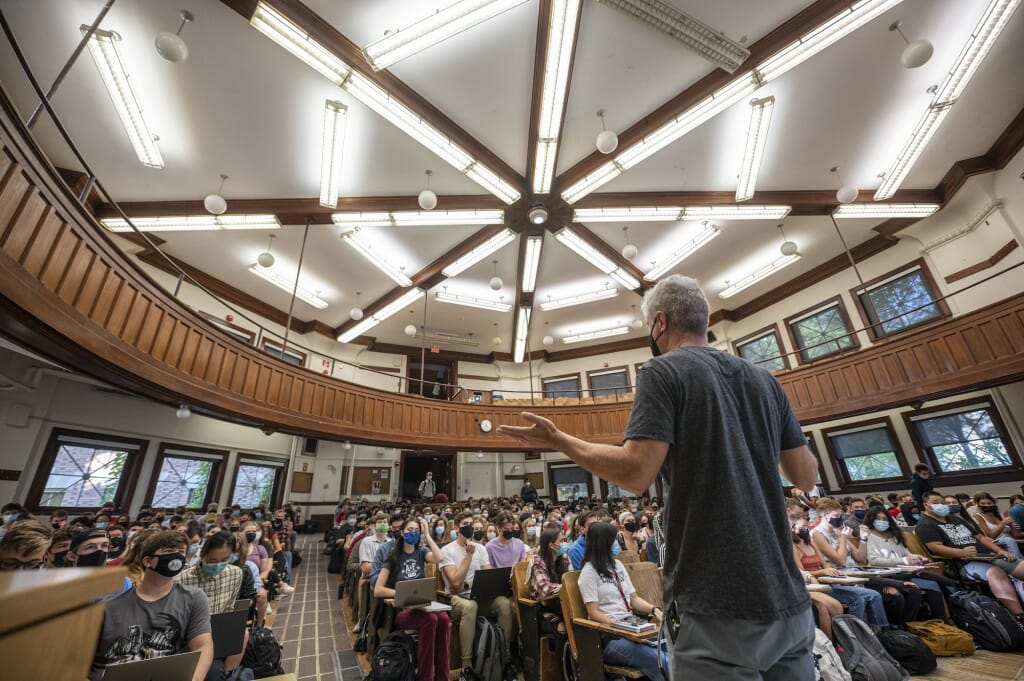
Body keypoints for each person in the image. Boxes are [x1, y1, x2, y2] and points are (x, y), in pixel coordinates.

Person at [499, 275, 819, 680]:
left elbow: (636, 472)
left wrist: (559, 438)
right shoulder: (766, 381)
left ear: (660, 323)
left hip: (716, 605)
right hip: (789, 603)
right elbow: (806, 476)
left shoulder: (663, 371)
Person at [90, 530, 213, 681]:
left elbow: (203, 645)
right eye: (168, 551)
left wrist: (195, 678)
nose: (177, 557)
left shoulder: (193, 598)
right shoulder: (108, 605)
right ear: (147, 561)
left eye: (181, 552)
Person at [578, 523, 667, 681]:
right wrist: (622, 629)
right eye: (613, 540)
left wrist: (654, 609)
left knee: (672, 648)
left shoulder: (617, 565)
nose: (617, 544)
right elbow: (593, 612)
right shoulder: (589, 572)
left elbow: (633, 599)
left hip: (631, 628)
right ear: (603, 543)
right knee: (659, 659)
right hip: (610, 637)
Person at [916, 491, 1024, 618]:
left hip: (986, 555)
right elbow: (936, 548)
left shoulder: (955, 518)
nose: (941, 505)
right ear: (926, 505)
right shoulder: (925, 525)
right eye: (936, 503)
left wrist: (999, 551)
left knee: (1020, 567)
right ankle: (1019, 615)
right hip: (962, 563)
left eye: (942, 503)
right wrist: (961, 552)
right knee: (995, 572)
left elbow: (981, 538)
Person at [374, 518, 449, 681]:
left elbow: (439, 557)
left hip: (422, 605)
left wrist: (427, 535)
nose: (412, 533)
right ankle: (425, 677)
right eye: (409, 529)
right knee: (430, 619)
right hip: (402, 610)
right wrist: (401, 593)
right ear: (401, 533)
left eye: (416, 530)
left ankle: (443, 676)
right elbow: (378, 590)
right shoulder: (393, 556)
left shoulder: (421, 552)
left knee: (443, 618)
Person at [440, 511, 514, 671]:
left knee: (504, 603)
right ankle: (466, 665)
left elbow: (487, 576)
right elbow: (454, 583)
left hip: (479, 595)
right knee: (470, 606)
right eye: (465, 524)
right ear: (456, 527)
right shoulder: (447, 551)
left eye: (470, 524)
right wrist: (468, 555)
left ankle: (503, 656)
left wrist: (468, 583)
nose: (469, 528)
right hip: (456, 599)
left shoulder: (481, 548)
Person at [863, 506, 955, 622]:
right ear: (871, 520)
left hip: (907, 571)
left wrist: (918, 558)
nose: (882, 522)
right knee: (931, 586)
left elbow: (906, 553)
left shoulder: (894, 534)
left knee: (946, 582)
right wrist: (904, 561)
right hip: (889, 574)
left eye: (885, 519)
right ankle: (914, 622)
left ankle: (949, 618)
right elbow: (874, 561)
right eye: (878, 519)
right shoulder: (869, 537)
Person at [527, 525, 570, 658]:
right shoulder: (537, 561)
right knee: (562, 629)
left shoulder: (563, 558)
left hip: (563, 607)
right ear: (551, 545)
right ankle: (561, 673)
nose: (564, 544)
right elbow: (545, 590)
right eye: (561, 541)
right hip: (543, 611)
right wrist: (566, 587)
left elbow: (571, 579)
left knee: (581, 625)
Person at [970, 492, 1022, 559]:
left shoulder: (999, 515)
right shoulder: (978, 516)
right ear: (978, 504)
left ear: (993, 503)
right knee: (1010, 543)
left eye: (989, 503)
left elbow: (1011, 531)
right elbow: (989, 536)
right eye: (983, 503)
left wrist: (1014, 527)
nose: (986, 505)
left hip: (1012, 541)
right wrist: (1002, 524)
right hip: (999, 543)